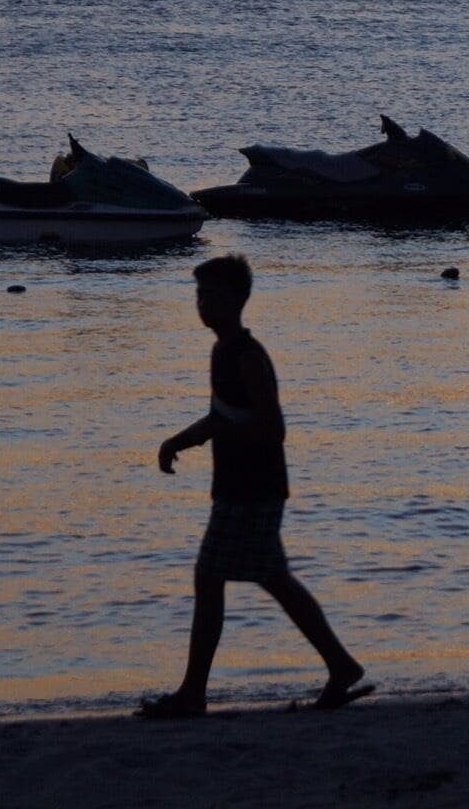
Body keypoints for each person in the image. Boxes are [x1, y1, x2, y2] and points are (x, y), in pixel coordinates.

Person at [138, 254, 369, 717]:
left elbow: (272, 429)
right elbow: (221, 416)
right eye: (199, 295)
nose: (203, 304)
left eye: (213, 295)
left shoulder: (246, 356)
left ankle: (192, 694)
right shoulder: (222, 352)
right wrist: (178, 441)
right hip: (241, 487)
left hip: (253, 488)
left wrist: (219, 434)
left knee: (211, 577)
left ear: (239, 299)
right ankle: (341, 666)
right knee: (271, 579)